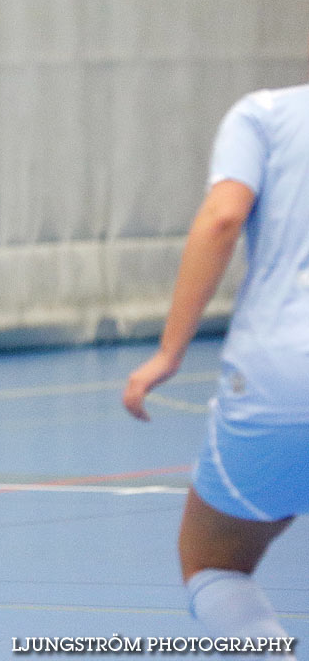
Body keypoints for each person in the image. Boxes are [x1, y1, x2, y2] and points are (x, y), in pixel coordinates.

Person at [124, 82, 308, 656]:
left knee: (214, 562)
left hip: (282, 374)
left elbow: (222, 219)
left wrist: (169, 352)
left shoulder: (266, 115)